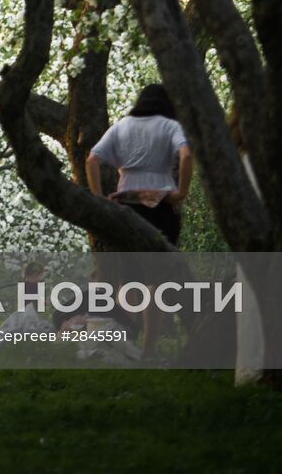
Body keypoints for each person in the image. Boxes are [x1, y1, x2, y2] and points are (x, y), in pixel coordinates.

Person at [85, 82, 193, 359]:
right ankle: (147, 349)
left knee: (130, 278)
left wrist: (99, 200)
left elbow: (92, 160)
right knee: (155, 280)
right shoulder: (169, 126)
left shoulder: (121, 126)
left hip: (127, 206)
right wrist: (181, 191)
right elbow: (187, 154)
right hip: (161, 205)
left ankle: (128, 336)